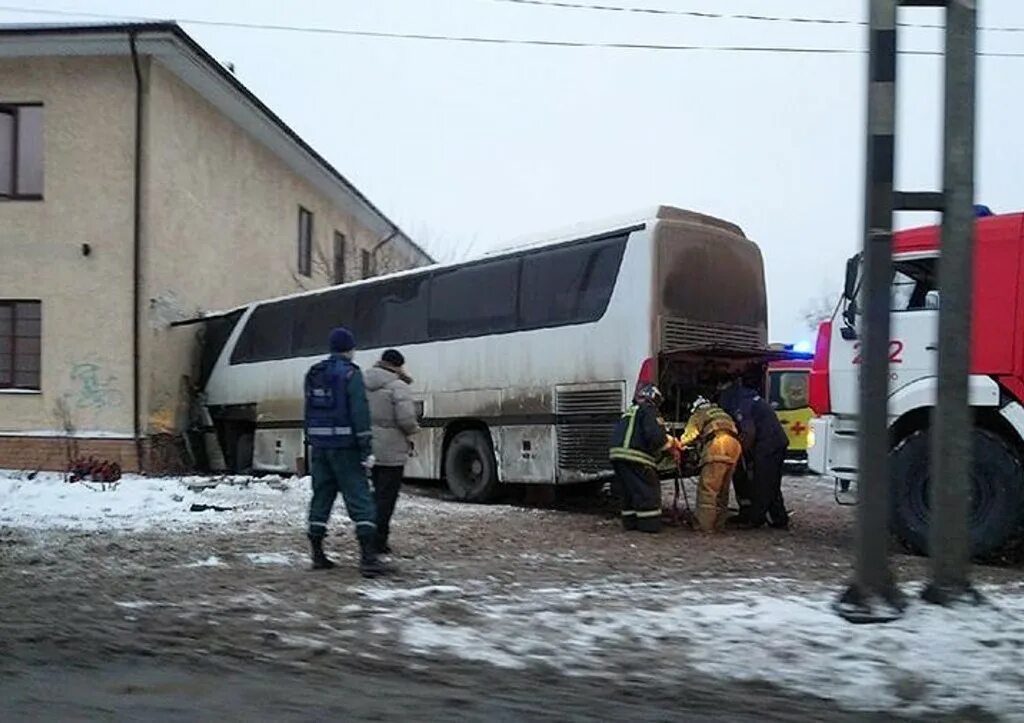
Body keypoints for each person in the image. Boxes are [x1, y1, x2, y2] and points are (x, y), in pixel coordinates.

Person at [303, 326, 386, 577]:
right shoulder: (351, 374)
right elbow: (360, 413)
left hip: (319, 447)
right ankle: (368, 558)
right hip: (346, 448)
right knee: (360, 498)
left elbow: (308, 410)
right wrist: (366, 448)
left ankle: (317, 554)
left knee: (321, 497)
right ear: (349, 349)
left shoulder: (314, 373)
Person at [364, 348, 420, 555]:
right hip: (391, 451)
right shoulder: (398, 386)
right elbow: (406, 419)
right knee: (386, 498)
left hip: (368, 448)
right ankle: (379, 541)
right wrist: (413, 430)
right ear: (397, 365)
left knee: (373, 495)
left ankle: (368, 534)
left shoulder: (362, 382)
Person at [717, 376, 790, 529]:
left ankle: (756, 518)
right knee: (771, 481)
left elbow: (749, 432)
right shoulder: (747, 396)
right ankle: (777, 517)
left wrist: (739, 451)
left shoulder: (741, 403)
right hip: (774, 442)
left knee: (762, 481)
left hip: (768, 445)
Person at [608, 383, 678, 533]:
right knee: (647, 491)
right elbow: (655, 436)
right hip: (637, 457)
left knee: (628, 491)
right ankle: (649, 525)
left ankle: (631, 523)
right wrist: (670, 448)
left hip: (617, 455)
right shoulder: (650, 410)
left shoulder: (629, 411)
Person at [678, 395, 742, 532]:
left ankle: (704, 526)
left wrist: (678, 444)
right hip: (735, 446)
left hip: (718, 444)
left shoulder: (698, 414)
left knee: (708, 489)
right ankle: (719, 525)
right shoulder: (720, 412)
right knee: (722, 490)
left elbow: (689, 436)